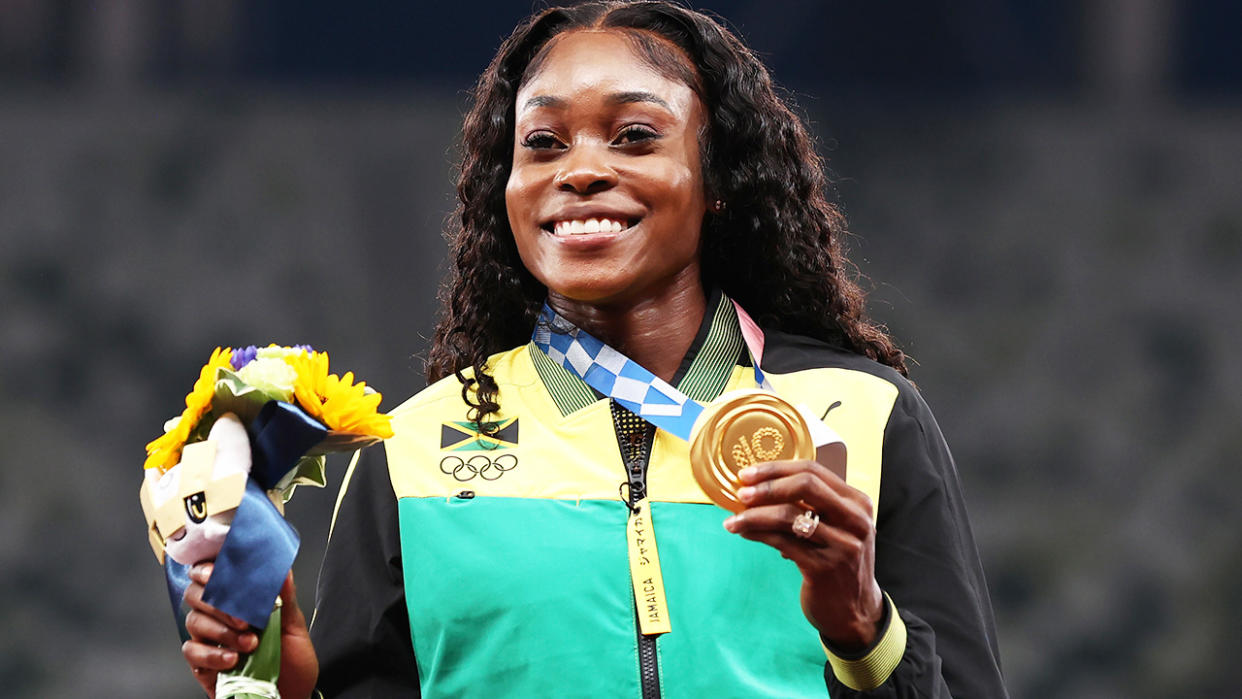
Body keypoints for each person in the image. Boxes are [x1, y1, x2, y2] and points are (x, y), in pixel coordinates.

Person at [180, 2, 1007, 696]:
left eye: (635, 135)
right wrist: (284, 691)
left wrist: (864, 629)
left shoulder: (863, 416)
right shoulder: (414, 452)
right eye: (543, 143)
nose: (580, 171)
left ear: (718, 178)